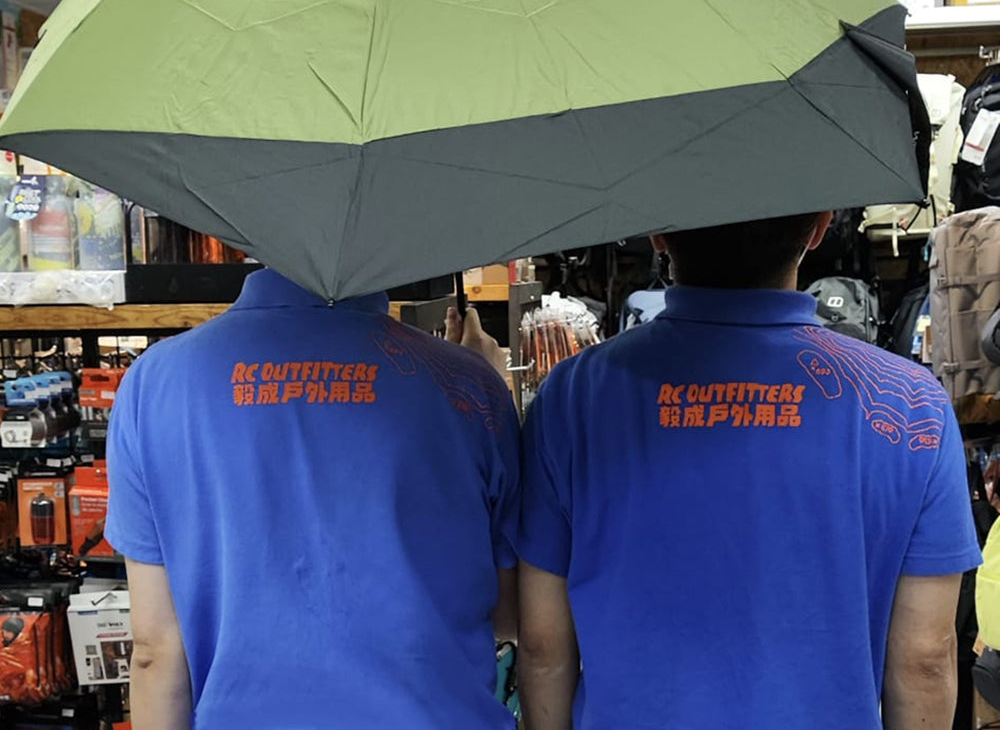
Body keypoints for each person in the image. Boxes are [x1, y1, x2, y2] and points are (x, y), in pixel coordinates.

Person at [518, 213, 981, 730]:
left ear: (657, 231)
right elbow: (924, 660)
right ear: (819, 227)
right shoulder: (911, 406)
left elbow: (542, 646)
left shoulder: (573, 396)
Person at [105, 268, 518, 730]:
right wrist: (482, 380)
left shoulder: (153, 384)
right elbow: (507, 614)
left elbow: (155, 650)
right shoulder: (469, 386)